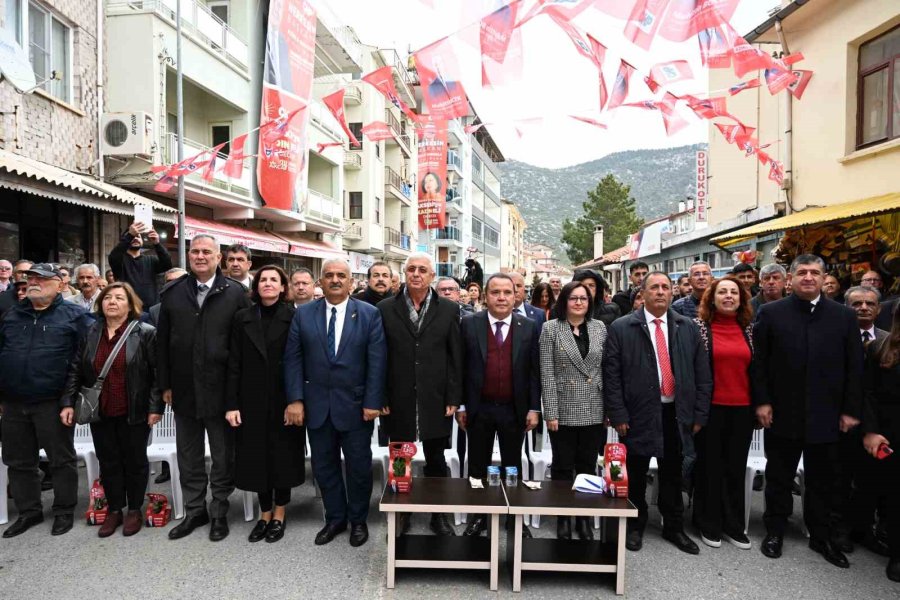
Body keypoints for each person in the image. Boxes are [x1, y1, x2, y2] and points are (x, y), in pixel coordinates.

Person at [753, 254, 863, 568]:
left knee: (823, 479)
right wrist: (762, 401)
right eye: (801, 272)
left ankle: (821, 536)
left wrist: (850, 410)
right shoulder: (771, 313)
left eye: (814, 272)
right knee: (779, 476)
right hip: (782, 411)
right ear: (790, 279)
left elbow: (854, 367)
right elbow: (759, 363)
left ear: (823, 278)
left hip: (827, 413)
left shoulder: (843, 316)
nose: (808, 277)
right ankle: (775, 530)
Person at [604, 271, 711, 555]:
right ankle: (636, 526)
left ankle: (673, 527)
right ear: (643, 293)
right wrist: (619, 414)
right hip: (638, 414)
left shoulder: (687, 327)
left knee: (673, 474)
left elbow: (702, 374)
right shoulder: (622, 327)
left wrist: (699, 414)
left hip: (677, 413)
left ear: (673, 291)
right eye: (654, 287)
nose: (661, 292)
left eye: (666, 287)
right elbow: (611, 376)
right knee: (636, 474)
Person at [284, 260, 386, 547]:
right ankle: (335, 519)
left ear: (351, 282)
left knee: (359, 467)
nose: (335, 280)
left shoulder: (369, 314)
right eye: (329, 275)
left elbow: (377, 362)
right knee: (324, 467)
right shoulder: (304, 315)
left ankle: (358, 521)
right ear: (321, 282)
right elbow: (293, 360)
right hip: (317, 407)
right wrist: (295, 400)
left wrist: (373, 401)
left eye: (341, 275)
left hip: (356, 407)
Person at [157, 234, 251, 542]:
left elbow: (242, 349)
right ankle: (195, 510)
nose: (200, 256)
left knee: (223, 456)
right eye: (195, 251)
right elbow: (163, 344)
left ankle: (219, 511)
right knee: (188, 456)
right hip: (184, 390)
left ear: (218, 256)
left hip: (222, 391)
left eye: (206, 251)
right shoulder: (173, 292)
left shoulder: (235, 293)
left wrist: (237, 394)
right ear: (188, 254)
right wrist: (165, 384)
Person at [62, 282, 162, 537]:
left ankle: (135, 510)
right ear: (101, 304)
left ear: (130, 305)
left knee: (136, 462)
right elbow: (75, 369)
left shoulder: (145, 332)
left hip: (134, 410)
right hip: (100, 410)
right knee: (109, 462)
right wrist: (68, 402)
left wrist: (155, 408)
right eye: (108, 298)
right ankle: (115, 509)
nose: (112, 302)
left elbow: (156, 375)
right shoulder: (91, 331)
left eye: (119, 298)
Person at [0, 264, 91, 538]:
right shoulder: (11, 315)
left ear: (61, 285)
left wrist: (68, 401)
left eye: (42, 279)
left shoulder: (76, 317)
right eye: (30, 278)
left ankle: (64, 510)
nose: (34, 282)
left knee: (60, 460)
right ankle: (29, 511)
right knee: (18, 460)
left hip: (53, 402)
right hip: (14, 402)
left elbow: (82, 364)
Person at [379, 253, 463, 537]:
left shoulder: (449, 310)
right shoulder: (385, 308)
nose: (416, 274)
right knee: (400, 457)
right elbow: (378, 357)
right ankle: (401, 510)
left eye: (422, 270)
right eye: (411, 269)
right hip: (397, 396)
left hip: (435, 397)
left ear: (431, 276)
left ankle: (439, 513)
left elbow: (455, 357)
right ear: (404, 274)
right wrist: (380, 396)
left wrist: (454, 396)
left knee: (436, 459)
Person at [225, 266, 304, 544]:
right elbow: (233, 362)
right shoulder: (242, 318)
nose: (268, 284)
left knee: (281, 457)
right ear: (255, 286)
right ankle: (264, 513)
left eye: (274, 280)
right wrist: (231, 403)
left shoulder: (295, 316)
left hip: (284, 399)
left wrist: (297, 400)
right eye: (263, 280)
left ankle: (280, 513)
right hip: (251, 399)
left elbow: (300, 361)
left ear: (284, 287)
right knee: (256, 458)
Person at [459, 274, 540, 538]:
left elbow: (533, 372)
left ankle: (513, 518)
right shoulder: (470, 324)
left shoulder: (528, 326)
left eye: (508, 292)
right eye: (496, 292)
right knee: (477, 467)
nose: (502, 297)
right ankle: (478, 516)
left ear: (516, 294)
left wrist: (533, 408)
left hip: (513, 409)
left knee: (512, 465)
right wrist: (461, 405)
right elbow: (460, 369)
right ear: (485, 295)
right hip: (479, 408)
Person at [540, 281, 608, 541]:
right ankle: (564, 517)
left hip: (593, 404)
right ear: (564, 301)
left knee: (587, 465)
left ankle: (584, 517)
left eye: (584, 298)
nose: (579, 302)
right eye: (573, 298)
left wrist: (608, 409)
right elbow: (546, 372)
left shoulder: (600, 328)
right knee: (562, 466)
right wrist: (551, 412)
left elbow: (605, 368)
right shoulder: (550, 329)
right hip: (564, 406)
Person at [692, 277, 755, 550]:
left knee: (735, 468)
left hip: (742, 409)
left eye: (733, 292)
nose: (728, 296)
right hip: (711, 409)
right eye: (722, 292)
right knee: (710, 467)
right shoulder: (699, 329)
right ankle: (708, 522)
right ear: (712, 297)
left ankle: (734, 525)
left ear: (741, 298)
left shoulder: (750, 329)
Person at [835, 286, 889, 554]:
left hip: (881, 424)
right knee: (842, 477)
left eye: (870, 303)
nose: (864, 308)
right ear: (846, 307)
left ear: (879, 309)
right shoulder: (836, 338)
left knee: (872, 479)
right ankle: (840, 529)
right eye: (857, 303)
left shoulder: (890, 340)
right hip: (843, 420)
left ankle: (863, 528)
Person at [862, 301, 900, 582]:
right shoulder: (881, 348)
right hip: (889, 434)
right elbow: (869, 395)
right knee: (894, 495)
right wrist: (871, 431)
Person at [108, 221, 173, 310]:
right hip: (127, 310)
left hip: (150, 311)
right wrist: (130, 235)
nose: (135, 239)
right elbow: (114, 256)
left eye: (138, 236)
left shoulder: (151, 260)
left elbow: (167, 264)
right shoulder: (120, 260)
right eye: (132, 237)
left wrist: (157, 244)